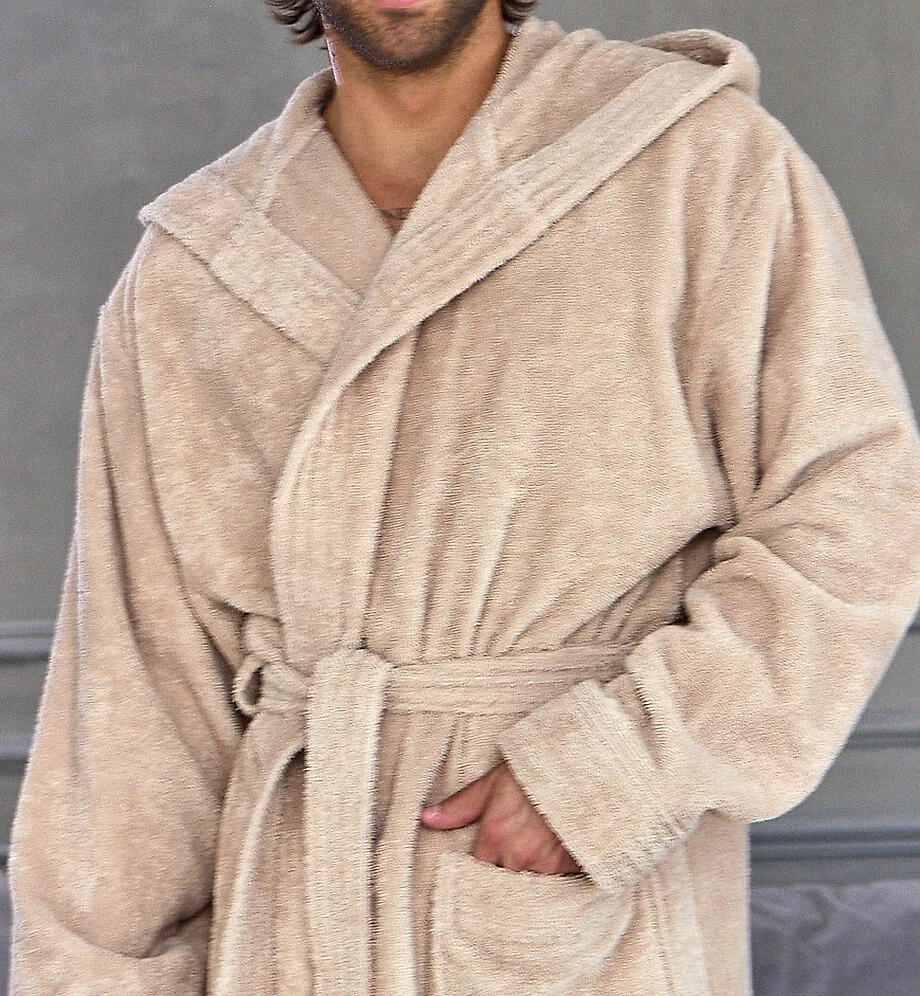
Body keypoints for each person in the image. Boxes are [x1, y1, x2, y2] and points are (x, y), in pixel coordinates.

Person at [9, 1, 920, 992]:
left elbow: (859, 507)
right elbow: (138, 698)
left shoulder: (691, 164)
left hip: (580, 933)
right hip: (292, 929)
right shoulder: (192, 270)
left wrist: (615, 773)